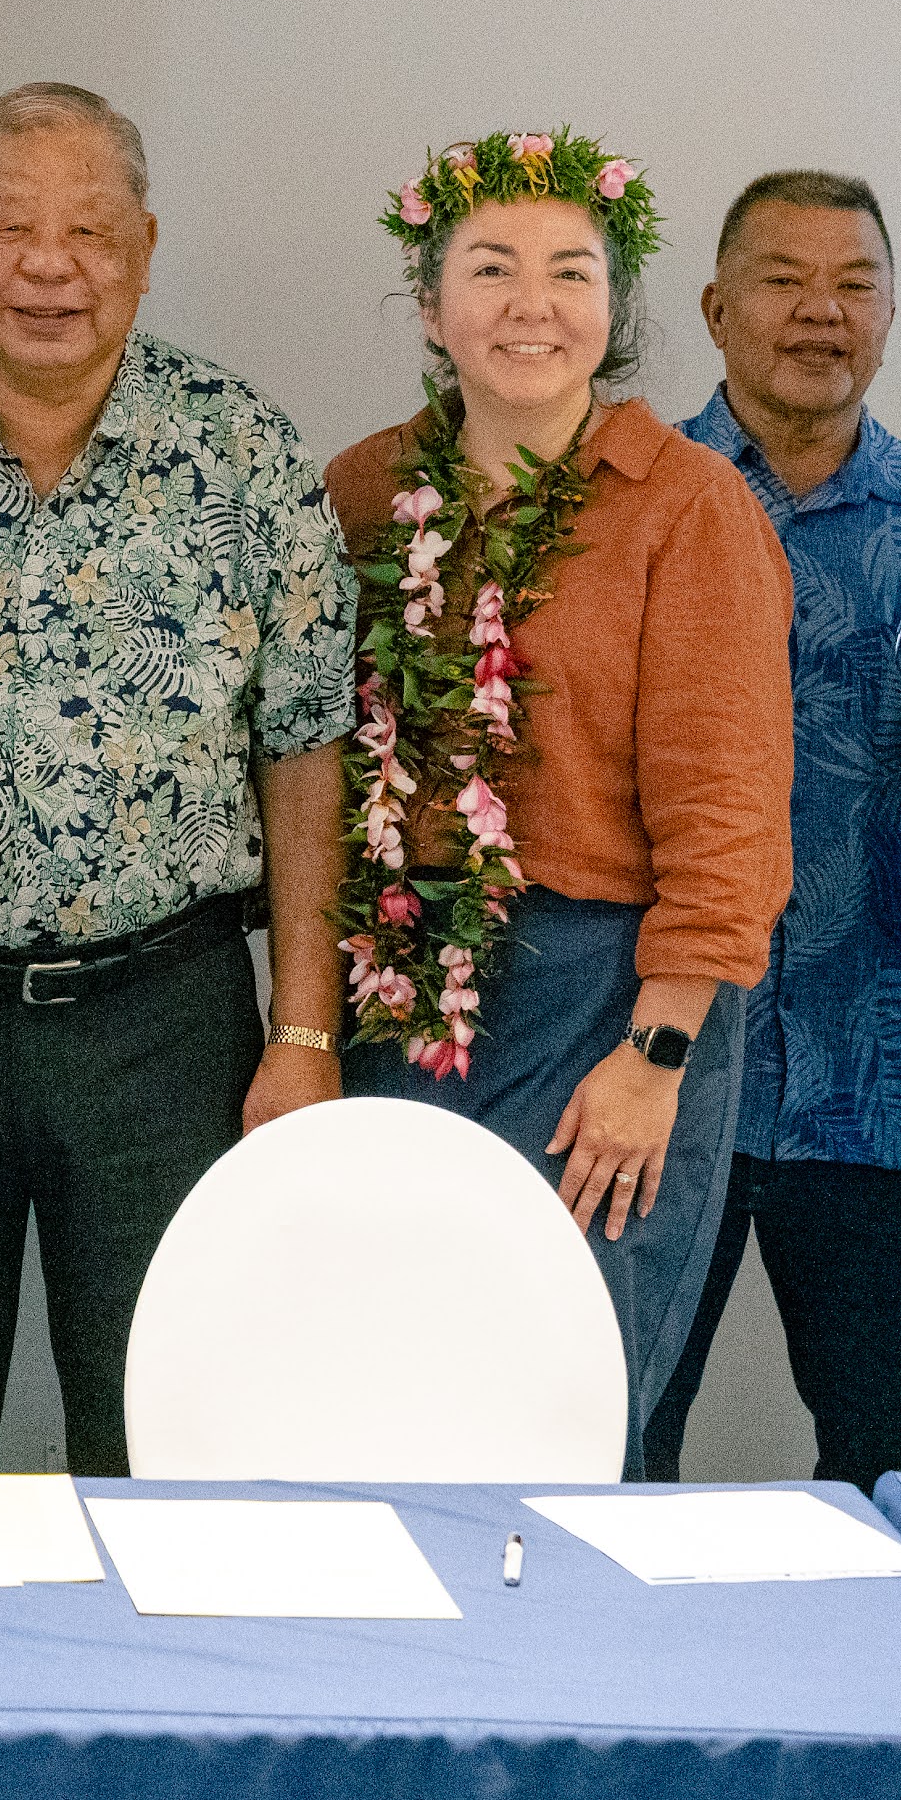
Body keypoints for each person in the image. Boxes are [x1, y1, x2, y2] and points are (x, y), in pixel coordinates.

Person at [0, 82, 359, 1476]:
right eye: (10, 227)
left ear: (144, 250)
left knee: (172, 1425)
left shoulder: (243, 452)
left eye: (89, 231)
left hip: (161, 1025)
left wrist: (304, 1033)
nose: (49, 265)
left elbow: (303, 747)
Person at [322, 133, 793, 1478]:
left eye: (567, 271)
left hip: (612, 1002)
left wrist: (654, 1060)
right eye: (488, 268)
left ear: (613, 306)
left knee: (562, 1400)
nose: (530, 304)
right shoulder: (363, 492)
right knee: (398, 1392)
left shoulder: (685, 505)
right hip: (403, 991)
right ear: (428, 306)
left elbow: (728, 812)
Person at [636, 170, 901, 1487]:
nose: (816, 312)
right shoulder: (631, 501)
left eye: (852, 283)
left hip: (887, 1085)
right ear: (716, 306)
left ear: (890, 313)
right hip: (657, 1075)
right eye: (781, 279)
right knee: (606, 1453)